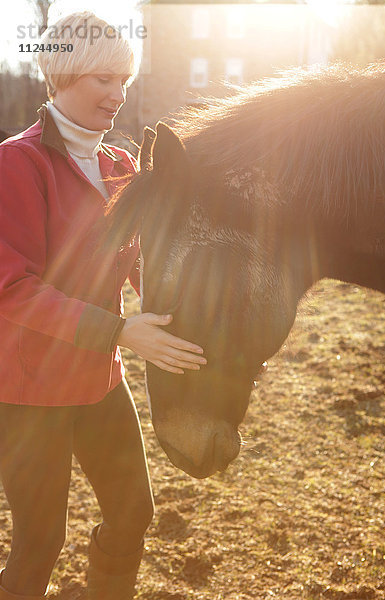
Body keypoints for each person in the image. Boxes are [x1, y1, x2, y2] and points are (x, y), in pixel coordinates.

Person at [0, 11, 206, 600]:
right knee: (40, 543)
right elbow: (11, 286)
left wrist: (186, 311)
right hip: (30, 391)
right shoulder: (19, 163)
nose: (119, 95)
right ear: (62, 73)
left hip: (99, 382)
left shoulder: (120, 166)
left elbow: (136, 263)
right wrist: (119, 331)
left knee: (133, 513)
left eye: (126, 81)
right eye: (104, 80)